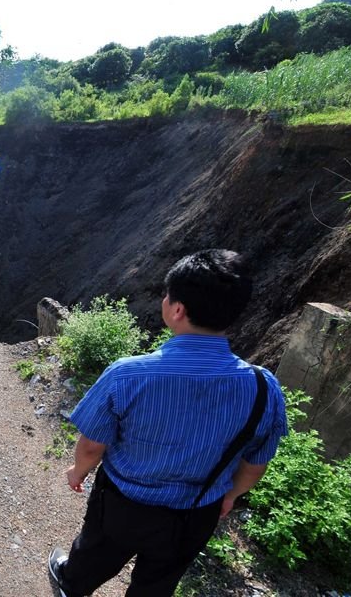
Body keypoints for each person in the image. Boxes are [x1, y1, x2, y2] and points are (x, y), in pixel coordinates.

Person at [48, 249, 288, 597]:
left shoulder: (128, 374)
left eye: (166, 295)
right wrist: (229, 496)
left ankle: (71, 584)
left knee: (95, 554)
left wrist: (78, 471)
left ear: (176, 310)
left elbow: (91, 445)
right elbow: (255, 464)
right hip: (195, 513)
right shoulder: (264, 387)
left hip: (122, 503)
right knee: (158, 582)